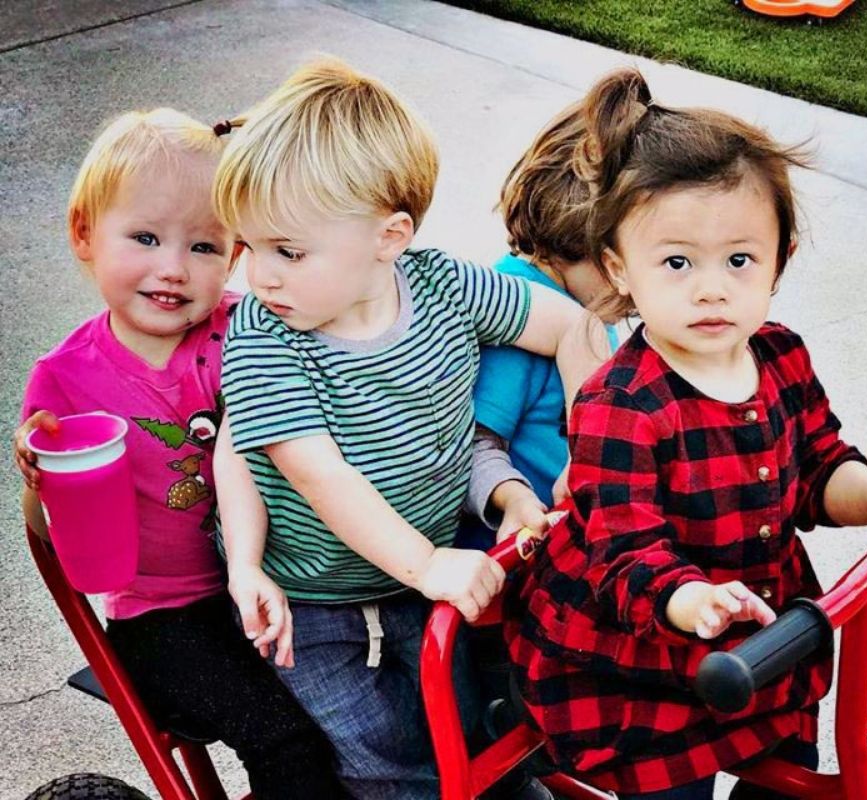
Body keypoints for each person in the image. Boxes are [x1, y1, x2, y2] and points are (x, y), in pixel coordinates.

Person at [505, 67, 867, 800]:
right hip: (641, 660)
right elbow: (623, 549)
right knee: (669, 787)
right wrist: (685, 598)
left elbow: (818, 469)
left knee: (790, 766)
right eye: (677, 262)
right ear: (622, 268)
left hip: (758, 636)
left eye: (739, 259)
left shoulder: (779, 354)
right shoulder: (619, 403)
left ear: (779, 259)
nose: (711, 287)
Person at [211, 59, 609, 799]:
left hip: (421, 577)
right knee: (384, 758)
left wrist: (587, 459)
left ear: (389, 237)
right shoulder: (265, 336)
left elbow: (576, 325)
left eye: (287, 252)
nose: (257, 278)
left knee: (472, 735)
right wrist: (427, 565)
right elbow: (318, 474)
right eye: (248, 247)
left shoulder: (443, 286)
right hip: (313, 599)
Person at [13, 109, 344, 799]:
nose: (173, 268)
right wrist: (39, 482)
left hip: (278, 581)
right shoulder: (65, 381)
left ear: (235, 253)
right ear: (84, 233)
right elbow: (51, 540)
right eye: (144, 237)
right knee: (287, 740)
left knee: (376, 709)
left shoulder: (246, 330)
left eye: (203, 246)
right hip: (166, 616)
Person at [460, 96, 619, 549]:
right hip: (521, 559)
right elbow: (471, 449)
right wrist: (514, 499)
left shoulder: (589, 295)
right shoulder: (516, 317)